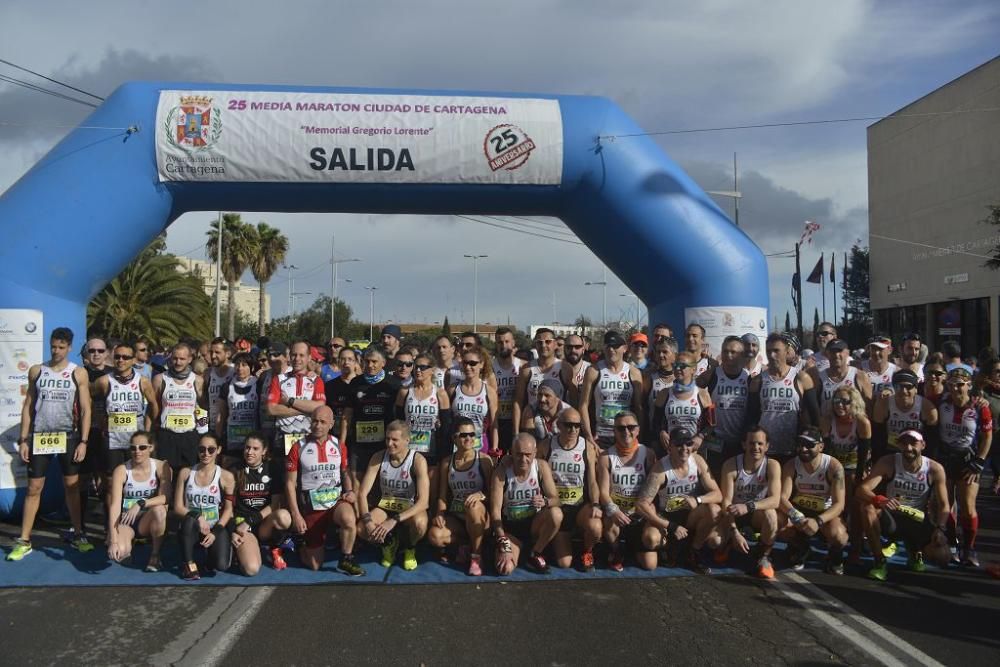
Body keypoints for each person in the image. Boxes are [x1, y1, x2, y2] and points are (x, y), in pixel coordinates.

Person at [8, 327, 94, 561]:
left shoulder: (78, 373)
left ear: (70, 348)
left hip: (68, 435)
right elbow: (28, 407)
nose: (56, 351)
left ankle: (78, 534)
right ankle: (24, 540)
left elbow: (86, 409)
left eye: (61, 347)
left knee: (72, 487)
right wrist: (24, 439)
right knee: (34, 488)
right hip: (41, 436)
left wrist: (84, 441)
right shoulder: (37, 371)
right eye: (53, 346)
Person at [857, 430, 950, 581]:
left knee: (943, 556)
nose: (908, 448)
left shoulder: (934, 469)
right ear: (898, 445)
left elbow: (944, 505)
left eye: (913, 443)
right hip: (892, 517)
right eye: (903, 443)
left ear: (923, 445)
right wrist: (880, 500)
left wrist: (940, 529)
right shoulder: (888, 462)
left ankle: (914, 551)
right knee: (867, 508)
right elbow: (862, 490)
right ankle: (879, 561)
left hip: (917, 520)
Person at [284, 407, 363, 574]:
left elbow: (345, 472)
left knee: (349, 517)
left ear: (331, 424)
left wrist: (349, 490)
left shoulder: (339, 446)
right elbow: (290, 484)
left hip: (335, 504)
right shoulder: (298, 447)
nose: (317, 425)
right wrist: (296, 515)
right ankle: (299, 543)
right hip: (312, 509)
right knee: (314, 565)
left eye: (322, 422)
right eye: (314, 421)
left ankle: (346, 559)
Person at [636, 426, 723, 574]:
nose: (684, 448)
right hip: (667, 517)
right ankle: (668, 545)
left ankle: (693, 551)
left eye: (688, 444)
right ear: (670, 447)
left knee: (715, 511)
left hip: (690, 516)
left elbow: (718, 494)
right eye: (678, 445)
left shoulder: (698, 461)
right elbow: (641, 504)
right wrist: (670, 526)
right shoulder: (661, 469)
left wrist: (698, 499)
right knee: (650, 539)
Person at [937, 364, 992, 567]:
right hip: (945, 457)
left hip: (968, 459)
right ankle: (952, 544)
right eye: (951, 384)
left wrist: (980, 461)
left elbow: (987, 436)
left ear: (968, 385)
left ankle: (969, 548)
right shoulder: (941, 402)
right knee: (947, 505)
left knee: (968, 507)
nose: (956, 389)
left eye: (960, 385)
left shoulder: (979, 407)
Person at [358, 420, 430, 570]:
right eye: (387, 439)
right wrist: (368, 521)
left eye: (395, 440)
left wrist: (394, 520)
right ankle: (389, 544)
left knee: (420, 524)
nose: (389, 443)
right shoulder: (378, 457)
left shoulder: (417, 460)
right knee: (361, 529)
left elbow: (424, 502)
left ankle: (410, 548)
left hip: (408, 508)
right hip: (386, 506)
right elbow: (362, 494)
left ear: (407, 440)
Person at [428, 418, 494, 576]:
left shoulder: (484, 460)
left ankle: (476, 556)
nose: (469, 438)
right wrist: (440, 514)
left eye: (472, 434)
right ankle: (466, 544)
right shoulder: (446, 463)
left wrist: (481, 494)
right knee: (434, 535)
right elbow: (442, 496)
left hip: (480, 516)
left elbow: (495, 494)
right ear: (454, 438)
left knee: (473, 505)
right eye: (464, 435)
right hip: (458, 518)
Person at [538, 407, 602, 571]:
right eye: (568, 425)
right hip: (557, 507)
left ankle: (587, 552)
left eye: (577, 425)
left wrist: (595, 503)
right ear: (558, 425)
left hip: (578, 506)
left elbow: (592, 481)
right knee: (564, 564)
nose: (573, 429)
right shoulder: (546, 445)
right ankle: (553, 541)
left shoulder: (586, 447)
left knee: (595, 526)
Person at [490, 433, 563, 575]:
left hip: (534, 526)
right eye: (519, 454)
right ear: (511, 452)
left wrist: (546, 501)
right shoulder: (501, 472)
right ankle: (515, 551)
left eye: (528, 454)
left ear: (535, 453)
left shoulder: (541, 467)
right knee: (505, 569)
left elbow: (557, 500)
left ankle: (535, 553)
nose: (523, 459)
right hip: (511, 530)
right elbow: (495, 512)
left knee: (556, 514)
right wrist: (504, 543)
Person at [777, 427, 848, 574]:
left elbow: (839, 504)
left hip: (825, 512)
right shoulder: (791, 465)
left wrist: (818, 521)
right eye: (800, 444)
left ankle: (835, 556)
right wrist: (796, 516)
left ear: (821, 447)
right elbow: (782, 497)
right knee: (777, 522)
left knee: (839, 535)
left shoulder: (834, 467)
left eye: (809, 445)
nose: (803, 448)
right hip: (800, 510)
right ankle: (801, 548)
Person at [94, 341, 159, 498]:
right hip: (113, 439)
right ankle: (112, 521)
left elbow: (153, 405)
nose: (121, 360)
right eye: (117, 357)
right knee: (111, 483)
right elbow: (90, 401)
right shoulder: (104, 381)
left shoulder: (142, 381)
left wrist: (148, 429)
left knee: (137, 479)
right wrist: (101, 421)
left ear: (133, 359)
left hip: (135, 440)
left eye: (125, 357)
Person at [717, 426, 782, 579]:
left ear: (767, 446)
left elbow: (775, 500)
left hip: (754, 512)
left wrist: (748, 506)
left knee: (772, 515)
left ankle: (764, 555)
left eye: (760, 443)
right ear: (744, 445)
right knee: (715, 542)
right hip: (733, 514)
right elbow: (726, 502)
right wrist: (734, 532)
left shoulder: (772, 465)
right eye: (752, 443)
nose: (756, 447)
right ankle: (729, 542)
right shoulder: (731, 465)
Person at [598, 411, 658, 571]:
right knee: (609, 516)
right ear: (614, 431)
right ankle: (617, 550)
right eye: (621, 428)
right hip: (617, 515)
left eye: (631, 427)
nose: (626, 432)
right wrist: (613, 510)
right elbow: (603, 493)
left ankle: (632, 547)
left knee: (650, 565)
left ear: (638, 430)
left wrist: (648, 506)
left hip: (639, 514)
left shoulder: (648, 454)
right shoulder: (605, 456)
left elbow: (653, 489)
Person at [106, 431, 172, 572]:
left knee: (160, 510)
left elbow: (166, 497)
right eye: (133, 448)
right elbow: (115, 505)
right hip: (127, 520)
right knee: (120, 553)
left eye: (142, 447)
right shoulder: (121, 470)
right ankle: (124, 539)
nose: (137, 452)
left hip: (148, 519)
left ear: (151, 448)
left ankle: (155, 555)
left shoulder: (162, 466)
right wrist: (113, 540)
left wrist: (141, 503)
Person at [746, 333, 817, 462]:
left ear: (786, 351)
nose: (772, 355)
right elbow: (751, 417)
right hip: (765, 450)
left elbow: (814, 415)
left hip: (794, 449)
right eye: (769, 351)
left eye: (776, 351)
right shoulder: (758, 380)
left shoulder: (801, 378)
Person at [228, 432, 293, 575]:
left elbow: (275, 504)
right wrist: (233, 530)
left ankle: (275, 547)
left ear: (264, 451)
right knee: (251, 569)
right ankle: (240, 552)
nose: (249, 452)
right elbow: (228, 508)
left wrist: (252, 520)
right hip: (243, 526)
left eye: (255, 449)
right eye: (247, 448)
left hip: (263, 523)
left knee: (284, 516)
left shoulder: (273, 468)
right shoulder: (234, 470)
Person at [820, 386, 872, 562]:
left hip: (855, 467)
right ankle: (834, 538)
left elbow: (864, 456)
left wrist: (858, 480)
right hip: (835, 467)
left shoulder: (862, 423)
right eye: (836, 401)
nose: (840, 405)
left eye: (845, 401)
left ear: (854, 403)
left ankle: (856, 544)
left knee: (856, 500)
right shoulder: (827, 421)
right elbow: (825, 454)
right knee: (834, 494)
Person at [174, 434, 235, 580]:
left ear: (218, 450)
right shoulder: (186, 473)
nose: (206, 453)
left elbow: (228, 510)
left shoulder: (226, 476)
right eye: (202, 449)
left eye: (211, 449)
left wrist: (216, 532)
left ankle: (208, 556)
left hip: (215, 527)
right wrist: (198, 517)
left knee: (221, 566)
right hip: (193, 526)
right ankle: (189, 565)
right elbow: (177, 507)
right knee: (189, 519)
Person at [397, 352, 451, 507]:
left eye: (423, 367)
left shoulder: (440, 394)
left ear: (432, 370)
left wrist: (443, 454)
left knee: (431, 492)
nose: (418, 370)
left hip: (432, 448)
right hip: (409, 448)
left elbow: (446, 426)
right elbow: (399, 421)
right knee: (410, 489)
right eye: (416, 366)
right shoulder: (405, 392)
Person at [579, 330, 644, 450]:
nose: (611, 350)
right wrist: (589, 436)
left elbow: (638, 407)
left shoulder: (634, 372)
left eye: (615, 346)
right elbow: (583, 405)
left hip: (626, 434)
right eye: (608, 346)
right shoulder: (593, 371)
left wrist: (639, 435)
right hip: (602, 435)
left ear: (624, 348)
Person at [344, 348, 402, 475]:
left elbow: (400, 417)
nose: (370, 365)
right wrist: (342, 443)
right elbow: (347, 415)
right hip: (359, 441)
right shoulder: (355, 383)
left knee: (382, 477)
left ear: (383, 363)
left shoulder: (394, 384)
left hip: (385, 442)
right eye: (367, 361)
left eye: (374, 361)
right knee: (357, 476)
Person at [152, 342, 207, 474]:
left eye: (182, 359)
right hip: (167, 435)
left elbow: (203, 409)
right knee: (166, 476)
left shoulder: (198, 380)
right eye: (175, 358)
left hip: (190, 435)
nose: (178, 362)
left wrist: (203, 433)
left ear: (189, 359)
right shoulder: (160, 379)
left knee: (189, 475)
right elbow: (153, 407)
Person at [701, 336, 751, 471]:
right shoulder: (711, 375)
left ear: (742, 356)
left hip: (740, 442)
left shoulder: (749, 378)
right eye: (725, 351)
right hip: (716, 441)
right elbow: (691, 390)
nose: (728, 355)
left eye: (733, 352)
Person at [653, 351, 713, 457]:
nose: (677, 369)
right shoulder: (664, 393)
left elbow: (712, 424)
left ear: (693, 369)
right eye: (675, 365)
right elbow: (655, 422)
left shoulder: (703, 394)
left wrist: (701, 436)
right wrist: (661, 432)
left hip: (694, 450)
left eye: (682, 366)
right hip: (671, 450)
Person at [872, 369, 937, 461]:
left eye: (908, 387)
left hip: (916, 453)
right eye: (899, 386)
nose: (903, 391)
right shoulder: (883, 405)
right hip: (891, 451)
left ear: (916, 389)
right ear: (894, 388)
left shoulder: (927, 408)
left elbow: (931, 443)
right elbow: (878, 440)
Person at [512, 328, 563, 436]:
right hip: (532, 424)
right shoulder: (526, 369)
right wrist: (516, 432)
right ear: (535, 345)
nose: (543, 345)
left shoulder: (564, 367)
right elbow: (518, 401)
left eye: (548, 342)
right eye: (539, 343)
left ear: (555, 344)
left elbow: (573, 400)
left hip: (558, 425)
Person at [450, 346, 500, 455]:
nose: (468, 367)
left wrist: (495, 448)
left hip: (480, 445)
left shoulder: (489, 392)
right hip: (456, 446)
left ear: (481, 364)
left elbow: (494, 424)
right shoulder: (453, 389)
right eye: (465, 363)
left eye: (472, 363)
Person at [216, 352, 261, 464]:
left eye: (244, 365)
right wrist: (217, 438)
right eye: (237, 365)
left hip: (253, 441)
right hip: (232, 440)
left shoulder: (259, 385)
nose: (240, 368)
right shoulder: (226, 386)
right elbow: (221, 415)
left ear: (252, 367)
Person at [815, 338, 872, 414]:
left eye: (839, 351)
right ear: (827, 354)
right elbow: (814, 408)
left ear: (848, 353)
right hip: (829, 424)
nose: (836, 355)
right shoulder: (819, 378)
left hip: (854, 424)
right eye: (832, 351)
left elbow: (869, 407)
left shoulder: (859, 376)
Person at [492, 327, 523, 453]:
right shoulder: (489, 367)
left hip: (517, 420)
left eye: (507, 341)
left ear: (513, 343)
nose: (503, 345)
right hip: (496, 421)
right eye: (500, 342)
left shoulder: (522, 366)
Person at [642, 337, 677, 434]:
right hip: (654, 435)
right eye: (658, 352)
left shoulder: (681, 379)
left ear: (674, 356)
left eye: (665, 352)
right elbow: (642, 408)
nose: (661, 355)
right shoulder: (649, 378)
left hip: (677, 436)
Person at [205, 337, 234, 436]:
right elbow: (203, 404)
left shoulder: (236, 372)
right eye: (211, 352)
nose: (213, 356)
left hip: (231, 428)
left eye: (217, 352)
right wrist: (202, 427)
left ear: (228, 353)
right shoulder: (208, 373)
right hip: (212, 428)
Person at [558, 333, 591, 408]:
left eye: (577, 347)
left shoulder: (591, 370)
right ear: (564, 349)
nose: (573, 350)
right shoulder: (555, 368)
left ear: (583, 349)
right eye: (569, 347)